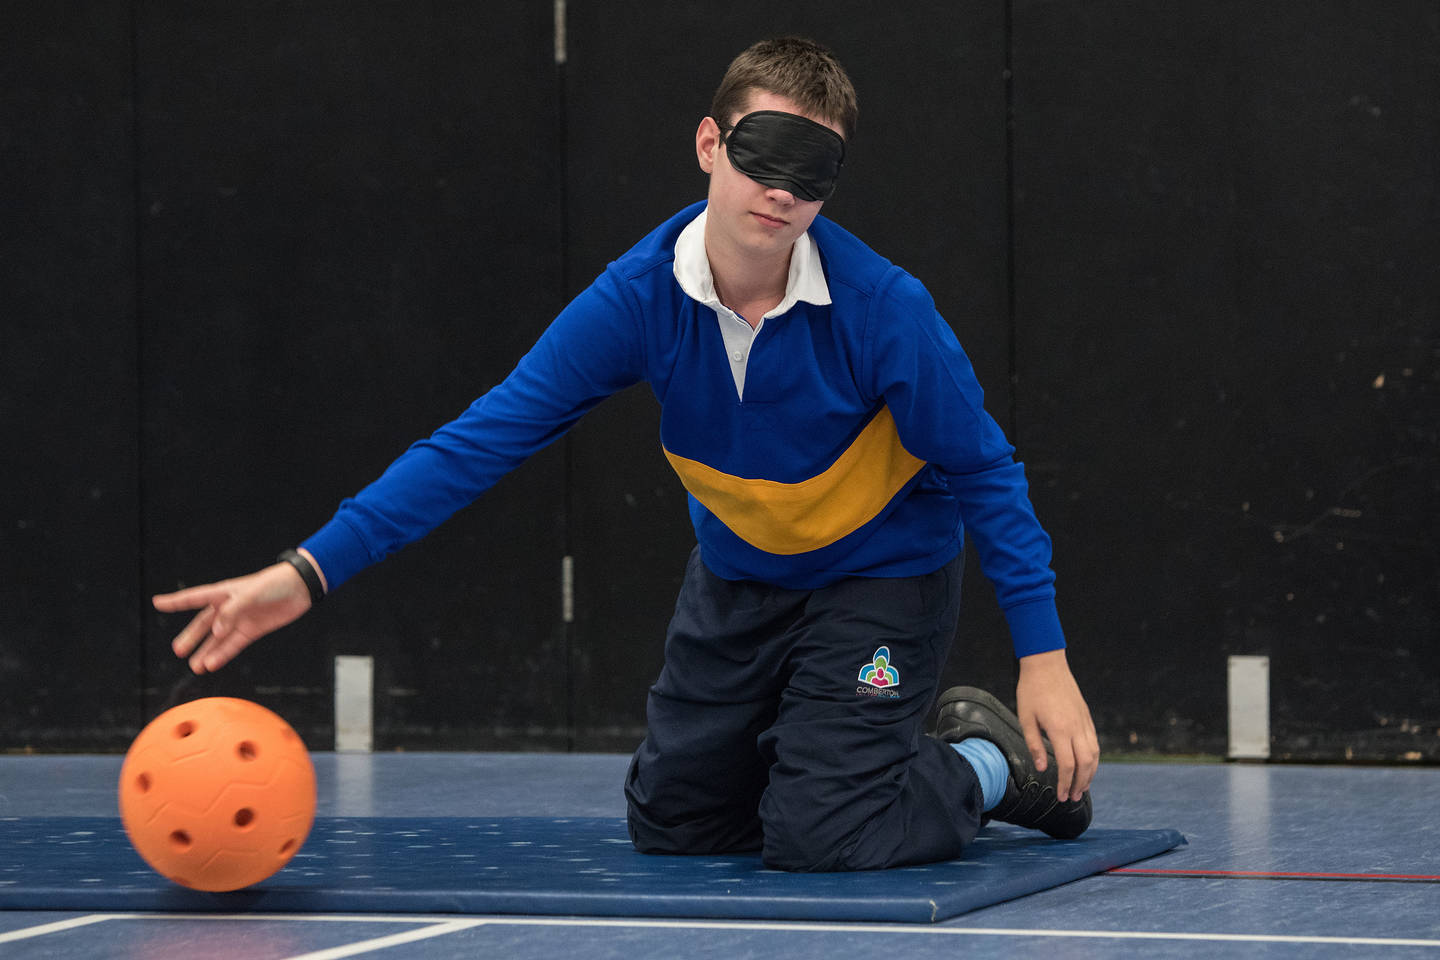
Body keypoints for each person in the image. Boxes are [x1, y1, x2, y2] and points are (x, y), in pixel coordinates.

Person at [154, 36, 1099, 872]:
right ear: (707, 146)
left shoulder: (885, 311)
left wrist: (1043, 660)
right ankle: (842, 753)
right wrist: (306, 572)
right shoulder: (637, 300)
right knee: (674, 824)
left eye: (813, 171)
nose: (781, 189)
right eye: (763, 154)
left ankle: (980, 760)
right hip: (741, 577)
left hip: (883, 580)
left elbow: (984, 469)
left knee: (823, 836)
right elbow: (480, 440)